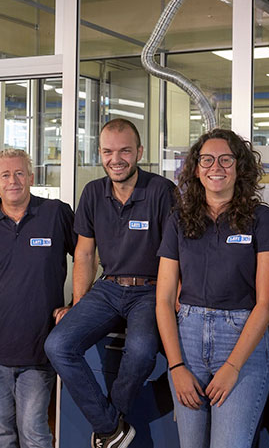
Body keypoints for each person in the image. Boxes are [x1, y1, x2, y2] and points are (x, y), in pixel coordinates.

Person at [44, 118, 176, 448]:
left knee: (142, 351)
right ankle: (110, 426)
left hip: (151, 290)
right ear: (100, 153)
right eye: (107, 152)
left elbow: (176, 254)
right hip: (108, 288)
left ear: (139, 152)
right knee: (57, 345)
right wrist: (78, 304)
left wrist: (173, 298)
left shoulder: (161, 191)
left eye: (124, 151)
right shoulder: (93, 192)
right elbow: (84, 253)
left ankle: (110, 424)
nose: (115, 159)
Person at [155, 129, 269, 447]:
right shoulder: (179, 220)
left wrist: (233, 367)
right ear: (196, 169)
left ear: (240, 166)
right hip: (187, 342)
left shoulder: (261, 219)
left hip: (241, 340)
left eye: (226, 159)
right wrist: (176, 366)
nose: (216, 167)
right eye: (207, 160)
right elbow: (164, 299)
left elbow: (266, 301)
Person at [0, 149, 77, 448]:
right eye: (5, 175)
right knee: (2, 431)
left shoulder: (56, 214)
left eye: (20, 173)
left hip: (39, 348)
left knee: (33, 432)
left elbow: (87, 257)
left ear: (31, 178)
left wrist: (76, 304)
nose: (13, 181)